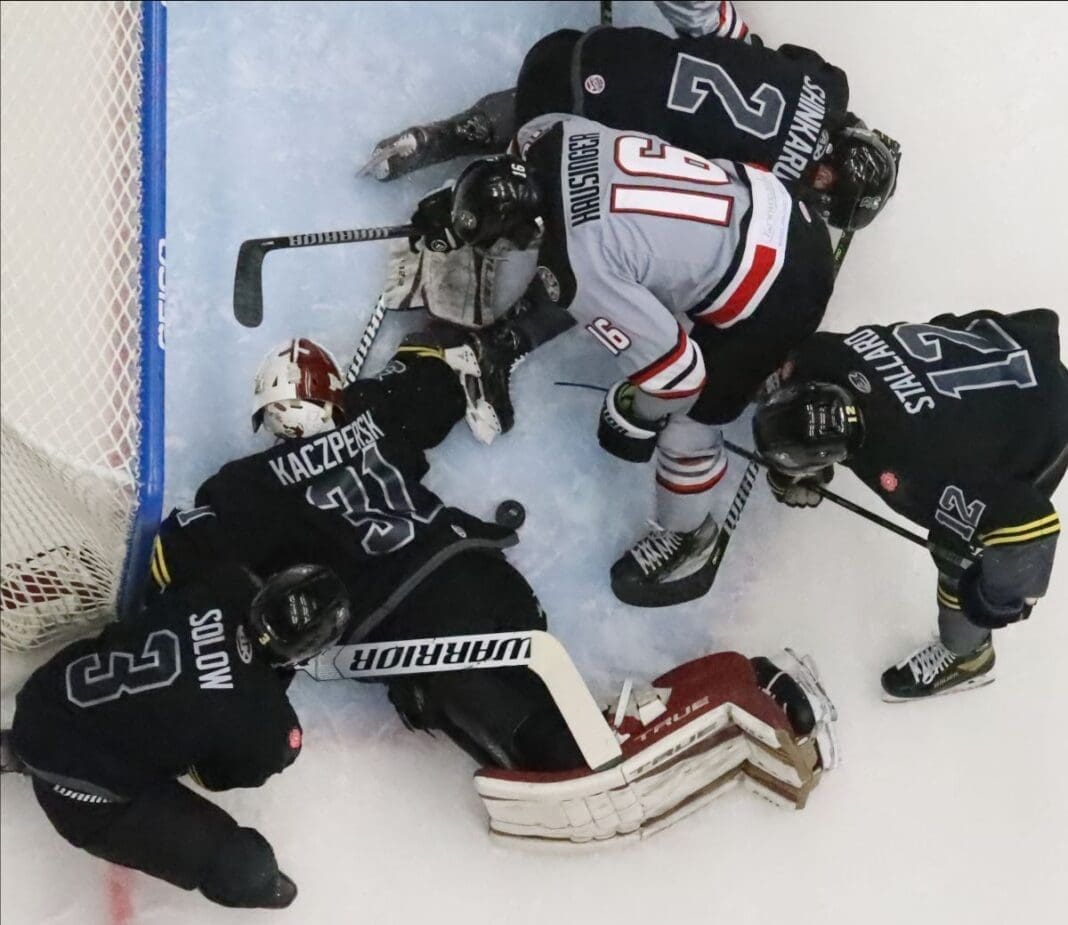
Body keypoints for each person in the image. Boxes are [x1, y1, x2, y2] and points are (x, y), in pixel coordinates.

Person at [144, 333, 839, 840]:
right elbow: (436, 368)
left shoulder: (248, 485)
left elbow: (176, 554)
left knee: (552, 759)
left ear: (269, 414)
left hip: (414, 630)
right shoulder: (374, 417)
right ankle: (751, 688)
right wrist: (383, 386)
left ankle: (712, 705)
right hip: (486, 577)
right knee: (565, 721)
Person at [408, 115, 836, 607]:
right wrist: (467, 206)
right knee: (656, 259)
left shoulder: (578, 268)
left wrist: (632, 415)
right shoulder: (549, 135)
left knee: (685, 429)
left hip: (784, 293)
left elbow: (678, 376)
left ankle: (687, 535)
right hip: (783, 208)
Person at [362, 1, 898, 233]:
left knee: (639, 78)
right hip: (569, 125)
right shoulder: (775, 193)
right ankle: (473, 196)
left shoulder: (829, 86)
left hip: (577, 51)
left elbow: (773, 56)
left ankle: (462, 130)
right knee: (606, 198)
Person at [752, 308, 1067, 700]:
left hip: (1045, 424)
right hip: (1018, 346)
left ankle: (967, 655)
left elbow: (1029, 524)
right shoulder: (822, 355)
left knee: (958, 549)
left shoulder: (920, 474)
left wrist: (993, 599)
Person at [2, 561, 351, 908]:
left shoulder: (218, 582)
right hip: (78, 799)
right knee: (242, 866)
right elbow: (208, 776)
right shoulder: (268, 728)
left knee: (125, 723)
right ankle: (32, 756)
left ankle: (24, 747)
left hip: (43, 696)